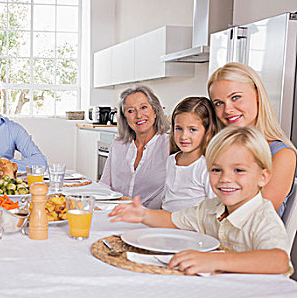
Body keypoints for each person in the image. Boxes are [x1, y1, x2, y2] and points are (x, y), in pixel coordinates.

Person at [109, 126, 290, 275]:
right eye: (216, 170)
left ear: (263, 177)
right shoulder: (211, 209)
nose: (225, 178)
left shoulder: (262, 217)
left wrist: (215, 260)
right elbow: (173, 221)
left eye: (239, 170)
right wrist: (143, 214)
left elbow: (278, 260)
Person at [208, 62, 297, 216]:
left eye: (235, 97)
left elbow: (253, 215)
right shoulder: (221, 150)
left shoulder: (282, 155)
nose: (227, 109)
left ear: (257, 95)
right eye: (219, 103)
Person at [99, 85, 170, 209]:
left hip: (151, 219)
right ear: (125, 117)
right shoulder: (118, 145)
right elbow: (104, 185)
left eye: (143, 107)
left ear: (155, 111)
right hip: (116, 214)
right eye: (131, 111)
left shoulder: (170, 145)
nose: (138, 115)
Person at [161, 97, 220, 212]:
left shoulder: (207, 166)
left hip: (190, 227)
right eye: (179, 128)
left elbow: (214, 208)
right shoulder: (171, 160)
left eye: (192, 129)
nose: (184, 136)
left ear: (207, 131)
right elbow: (166, 199)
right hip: (165, 222)